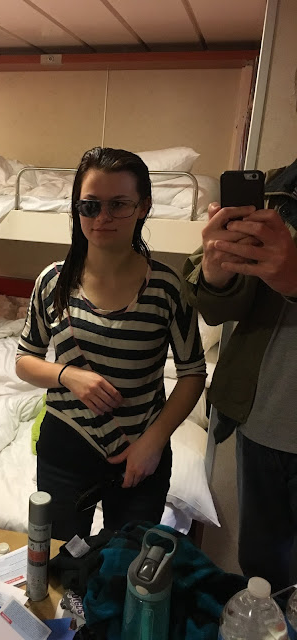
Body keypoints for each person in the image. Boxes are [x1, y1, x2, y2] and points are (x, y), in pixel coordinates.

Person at [15, 147, 206, 541]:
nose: (102, 217)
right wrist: (68, 376)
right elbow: (24, 360)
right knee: (61, 559)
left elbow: (192, 374)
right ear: (77, 209)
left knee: (127, 564)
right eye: (90, 206)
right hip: (65, 446)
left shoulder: (168, 287)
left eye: (119, 204)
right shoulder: (52, 281)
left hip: (141, 451)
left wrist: (154, 442)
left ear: (143, 207)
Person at [182, 199, 297, 592]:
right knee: (262, 576)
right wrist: (215, 278)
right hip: (261, 422)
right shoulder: (279, 193)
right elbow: (215, 311)